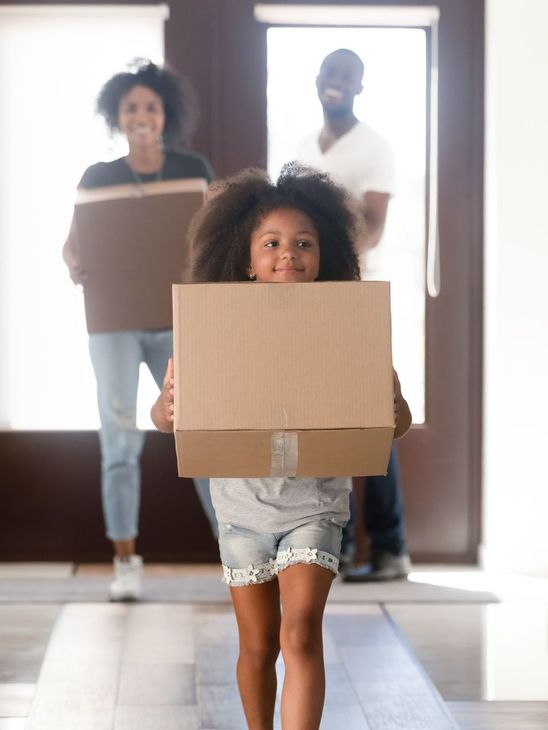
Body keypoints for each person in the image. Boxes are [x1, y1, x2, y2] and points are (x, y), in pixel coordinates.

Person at [151, 163, 412, 729]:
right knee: (258, 646)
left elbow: (395, 423)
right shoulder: (215, 328)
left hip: (314, 506)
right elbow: (168, 418)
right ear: (246, 259)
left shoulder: (347, 326)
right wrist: (167, 407)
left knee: (300, 633)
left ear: (324, 256)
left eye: (303, 243)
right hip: (241, 513)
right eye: (271, 243)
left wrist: (394, 408)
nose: (287, 254)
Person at [63, 60, 217, 602]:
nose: (141, 115)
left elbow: (218, 237)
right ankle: (125, 562)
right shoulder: (97, 177)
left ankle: (236, 555)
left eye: (150, 106)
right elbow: (73, 244)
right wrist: (75, 263)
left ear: (165, 113)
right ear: (118, 116)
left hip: (178, 320)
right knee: (119, 441)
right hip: (114, 325)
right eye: (131, 107)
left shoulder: (193, 167)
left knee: (202, 433)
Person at [294, 48, 411, 581]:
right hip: (308, 304)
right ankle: (336, 548)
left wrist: (335, 268)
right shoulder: (300, 150)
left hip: (357, 297)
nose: (336, 82)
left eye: (347, 76)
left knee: (372, 418)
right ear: (317, 81)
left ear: (359, 87)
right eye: (329, 73)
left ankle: (389, 549)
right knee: (324, 420)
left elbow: (374, 226)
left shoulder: (374, 148)